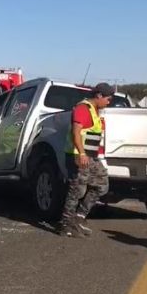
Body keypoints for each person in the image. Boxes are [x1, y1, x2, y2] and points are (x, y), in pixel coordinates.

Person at [58, 83, 115, 238]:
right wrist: (82, 153)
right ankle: (66, 224)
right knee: (77, 190)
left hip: (92, 156)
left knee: (101, 185)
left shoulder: (95, 111)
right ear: (99, 95)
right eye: (108, 99)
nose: (109, 102)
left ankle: (79, 217)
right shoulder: (83, 109)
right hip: (78, 155)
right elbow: (76, 132)